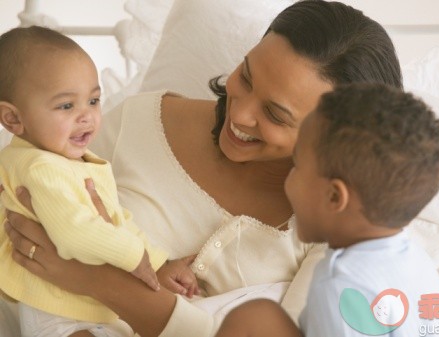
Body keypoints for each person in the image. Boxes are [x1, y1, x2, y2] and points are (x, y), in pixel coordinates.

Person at [2, 1, 404, 336]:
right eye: (246, 76)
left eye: (275, 114)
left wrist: (98, 282)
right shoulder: (135, 124)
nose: (240, 112)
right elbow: (21, 225)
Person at [214, 83, 439, 337]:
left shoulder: (340, 291)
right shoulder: (415, 260)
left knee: (252, 318)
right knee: (260, 316)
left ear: (333, 196)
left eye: (297, 166)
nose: (287, 178)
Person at [0, 26, 199, 337]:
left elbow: (118, 220)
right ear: (12, 119)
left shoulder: (70, 161)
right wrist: (135, 258)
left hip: (84, 306)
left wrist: (158, 263)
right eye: (66, 106)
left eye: (93, 100)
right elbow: (73, 233)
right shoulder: (40, 168)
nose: (86, 116)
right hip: (57, 312)